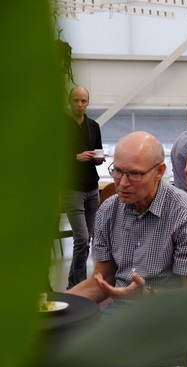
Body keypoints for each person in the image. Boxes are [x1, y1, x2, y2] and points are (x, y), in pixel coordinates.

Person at [68, 131, 187, 367]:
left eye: (134, 174)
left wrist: (146, 295)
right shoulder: (109, 210)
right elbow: (100, 281)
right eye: (117, 171)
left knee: (96, 348)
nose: (122, 183)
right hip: (121, 314)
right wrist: (53, 306)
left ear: (160, 171)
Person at [63, 86, 105, 290]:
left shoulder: (93, 126)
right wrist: (75, 157)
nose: (79, 104)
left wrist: (98, 159)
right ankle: (75, 284)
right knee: (82, 238)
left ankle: (78, 282)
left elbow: (98, 151)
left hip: (92, 188)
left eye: (83, 101)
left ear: (88, 103)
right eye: (76, 100)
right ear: (70, 101)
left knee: (89, 240)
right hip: (72, 189)